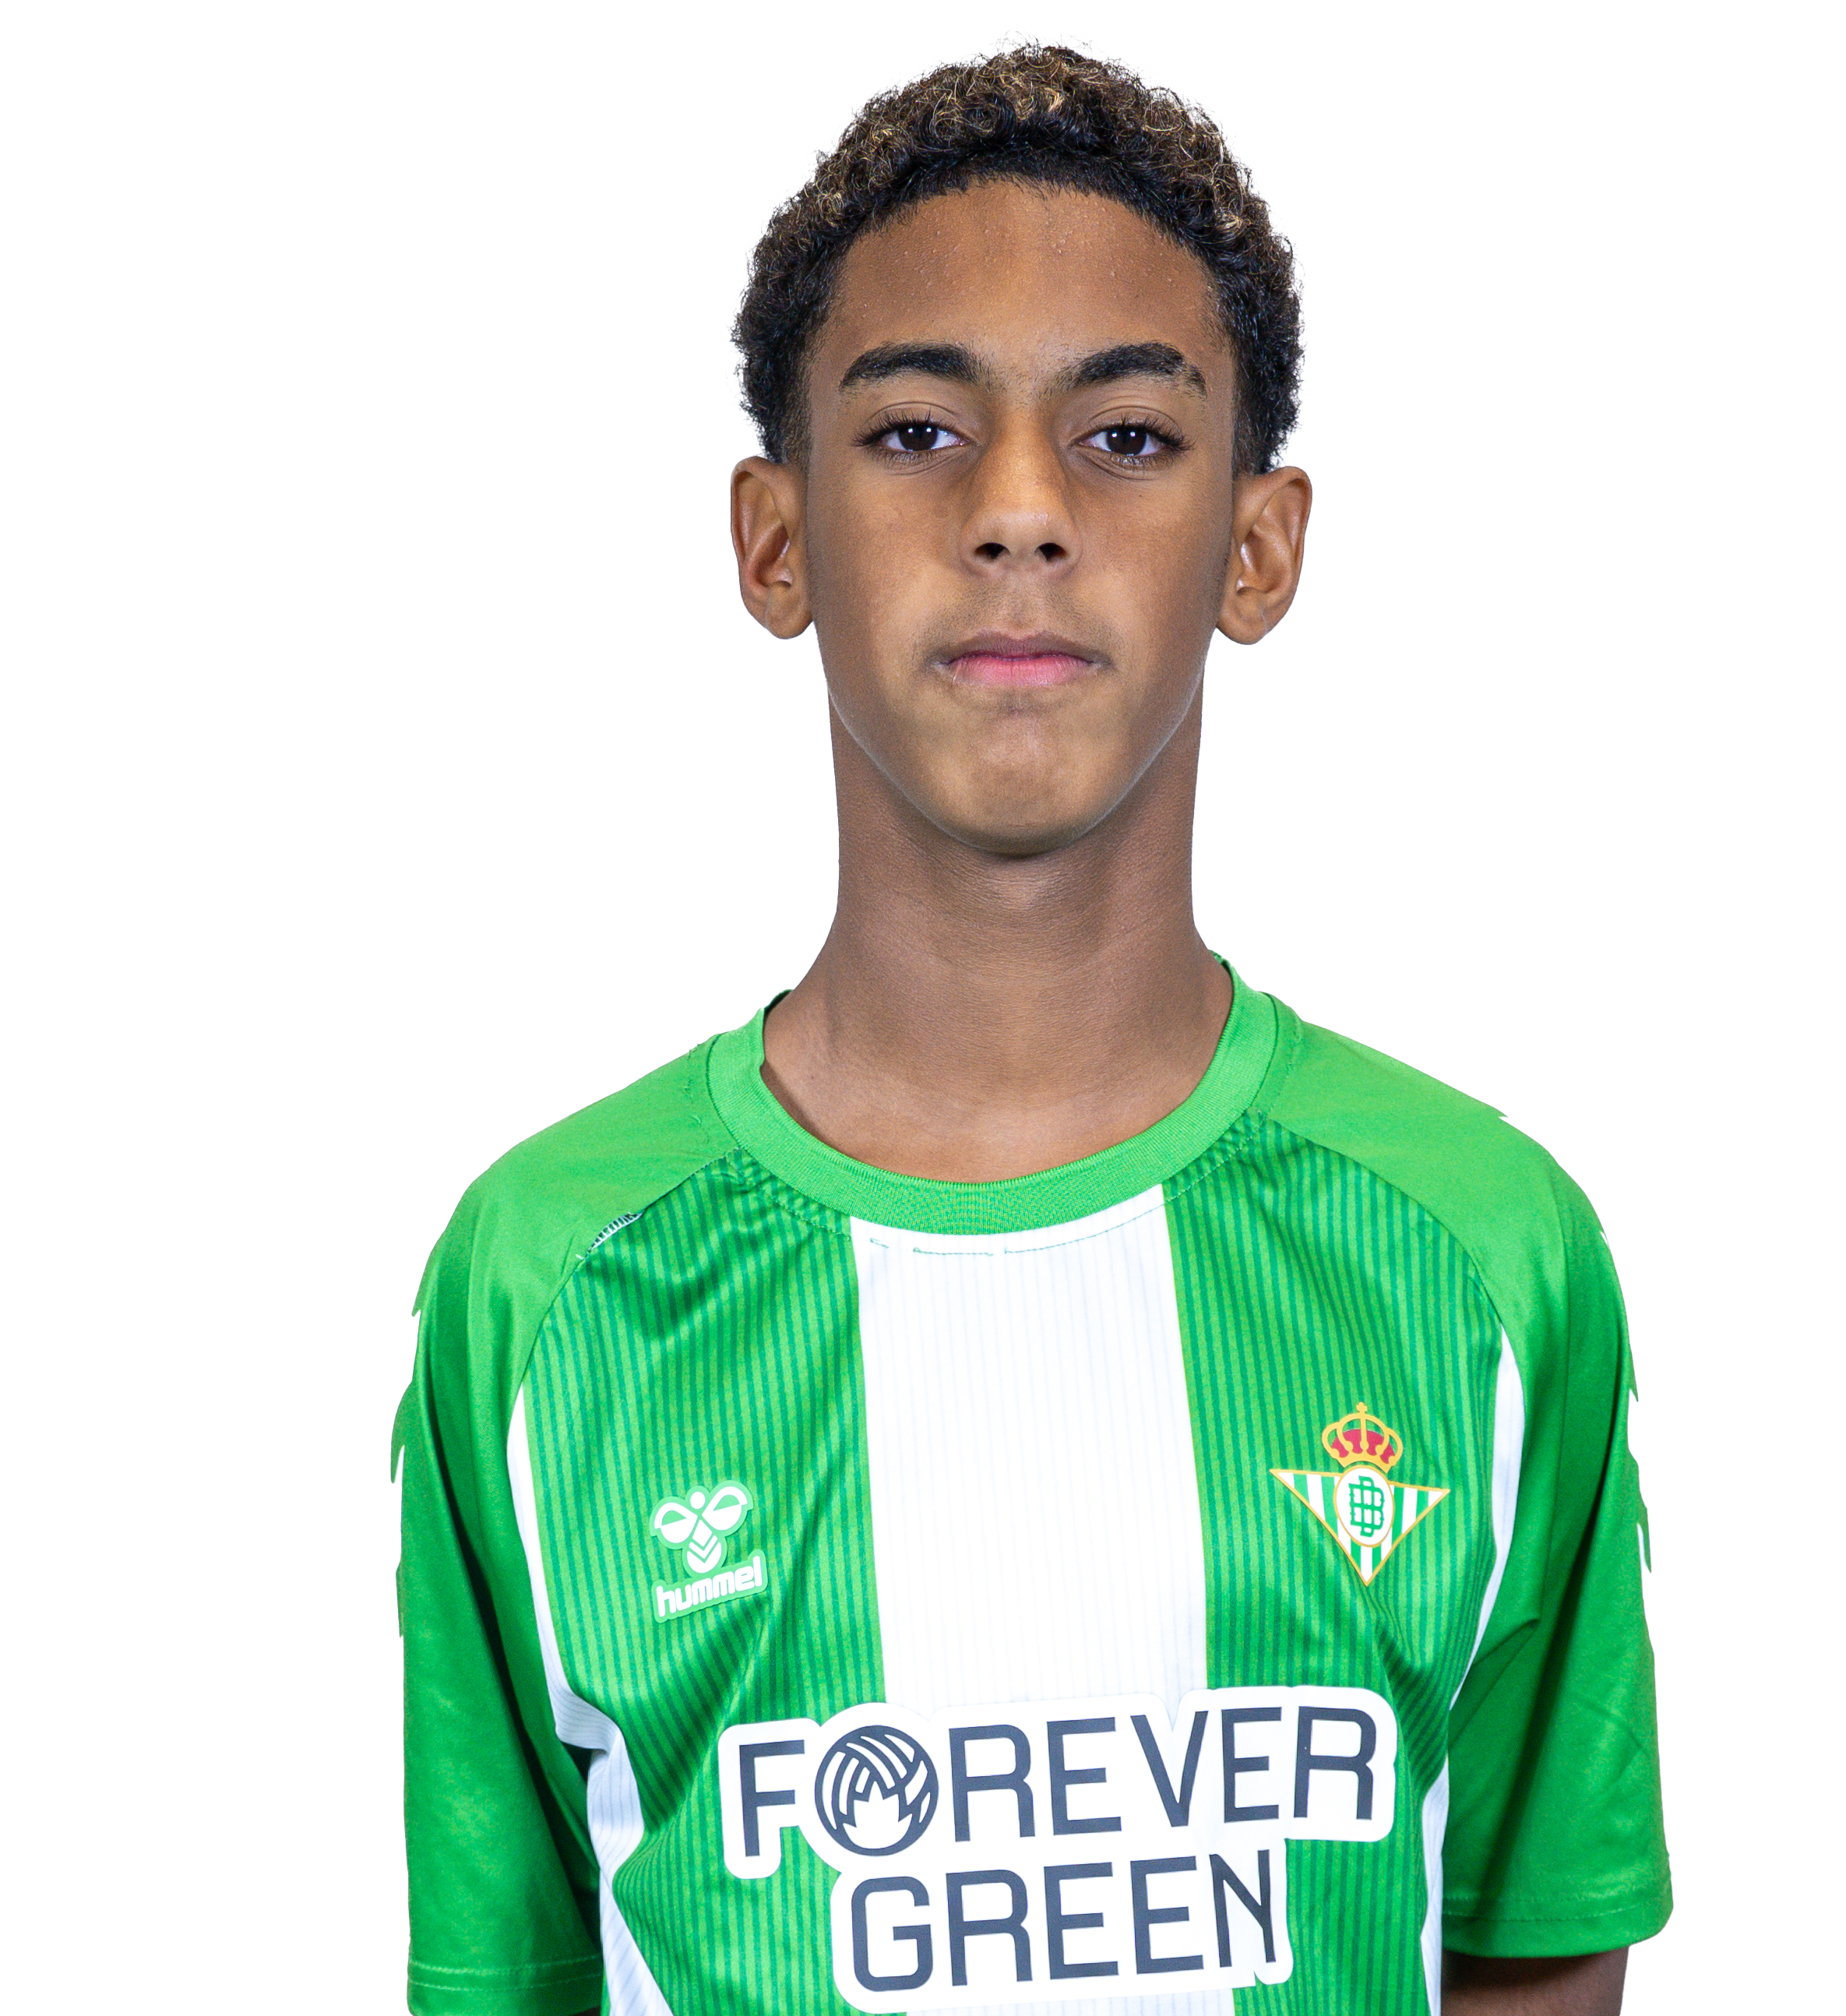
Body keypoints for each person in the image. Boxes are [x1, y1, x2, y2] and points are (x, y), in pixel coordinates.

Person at [393, 38, 1670, 2016]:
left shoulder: (1482, 1247)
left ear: (1257, 545)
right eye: (914, 430)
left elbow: (1534, 1950)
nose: (1015, 512)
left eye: (1127, 437)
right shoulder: (547, 1284)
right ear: (773, 538)